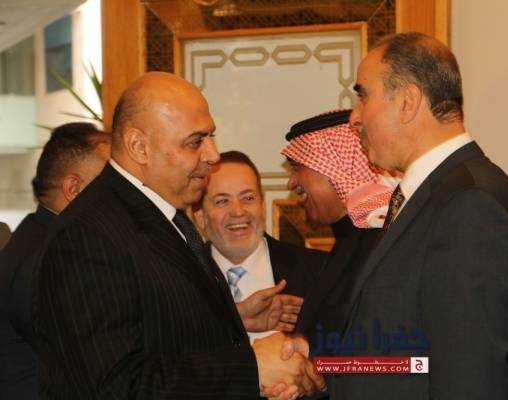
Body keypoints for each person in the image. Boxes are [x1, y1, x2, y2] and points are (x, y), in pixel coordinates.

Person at [32, 72, 324, 400]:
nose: (213, 154)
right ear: (139, 146)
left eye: (211, 137)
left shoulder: (163, 215)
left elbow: (162, 329)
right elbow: (117, 386)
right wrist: (252, 368)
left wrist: (234, 320)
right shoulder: (87, 236)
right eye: (195, 142)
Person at [322, 32, 508, 399]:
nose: (354, 117)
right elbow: (412, 361)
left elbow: (469, 379)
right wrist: (322, 369)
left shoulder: (470, 205)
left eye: (363, 96)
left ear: (407, 102)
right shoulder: (440, 195)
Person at [0, 122, 111, 400]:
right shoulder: (49, 257)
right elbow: (96, 357)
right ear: (73, 187)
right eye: (111, 184)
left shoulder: (40, 236)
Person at [280, 109, 396, 350]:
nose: (291, 182)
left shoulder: (381, 244)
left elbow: (390, 357)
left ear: (337, 165)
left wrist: (313, 366)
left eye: (297, 166)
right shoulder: (350, 239)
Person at [194, 150, 328, 342]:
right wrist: (235, 318)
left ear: (262, 205)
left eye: (248, 198)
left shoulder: (319, 271)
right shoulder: (182, 278)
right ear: (200, 217)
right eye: (222, 201)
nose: (238, 211)